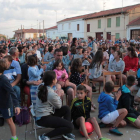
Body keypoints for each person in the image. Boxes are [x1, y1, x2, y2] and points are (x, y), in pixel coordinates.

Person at [36, 71, 75, 140]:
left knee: (66, 108)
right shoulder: (50, 93)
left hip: (42, 114)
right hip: (44, 118)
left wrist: (54, 94)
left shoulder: (41, 86)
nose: (57, 79)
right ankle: (45, 136)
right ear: (53, 81)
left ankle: (66, 133)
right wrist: (58, 95)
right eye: (56, 78)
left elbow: (48, 96)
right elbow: (59, 106)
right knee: (70, 127)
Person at [0, 59, 20, 140]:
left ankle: (14, 137)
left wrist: (17, 105)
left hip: (6, 104)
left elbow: (12, 92)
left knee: (9, 121)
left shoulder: (4, 79)